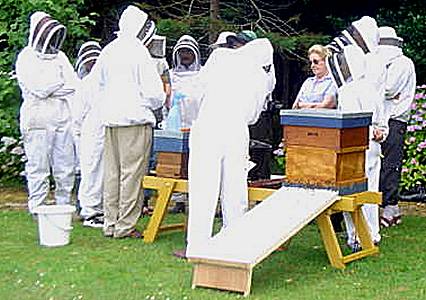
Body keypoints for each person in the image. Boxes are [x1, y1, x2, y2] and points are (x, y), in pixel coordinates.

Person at [186, 38, 275, 257]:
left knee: (202, 189)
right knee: (234, 189)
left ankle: (198, 245)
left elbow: (194, 97)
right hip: (234, 129)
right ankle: (233, 243)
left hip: (207, 126)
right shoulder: (257, 73)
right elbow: (254, 115)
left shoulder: (218, 59)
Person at [94, 5, 165, 238]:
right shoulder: (138, 52)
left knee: (112, 174)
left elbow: (98, 85)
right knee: (131, 175)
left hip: (110, 122)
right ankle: (125, 226)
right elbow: (155, 93)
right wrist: (156, 103)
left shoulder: (109, 50)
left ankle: (110, 223)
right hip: (134, 122)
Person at [326, 45, 388, 252]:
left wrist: (374, 132)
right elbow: (382, 124)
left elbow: (351, 123)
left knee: (353, 194)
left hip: (356, 149)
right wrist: (379, 133)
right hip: (372, 148)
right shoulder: (371, 88)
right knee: (370, 191)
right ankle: (372, 235)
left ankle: (357, 237)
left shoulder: (348, 91)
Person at [15, 11, 77, 215]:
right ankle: (37, 206)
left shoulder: (60, 56)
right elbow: (38, 88)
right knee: (37, 165)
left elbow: (73, 84)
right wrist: (57, 86)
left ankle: (63, 204)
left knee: (65, 164)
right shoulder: (26, 57)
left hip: (61, 116)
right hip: (36, 118)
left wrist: (51, 88)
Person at [378, 26, 416, 227]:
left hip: (395, 120)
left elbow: (387, 88)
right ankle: (386, 206)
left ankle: (390, 206)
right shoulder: (385, 64)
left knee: (391, 164)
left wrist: (373, 84)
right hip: (381, 120)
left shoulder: (402, 63)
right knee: (377, 163)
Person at [165, 35, 203, 214]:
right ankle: (178, 200)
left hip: (198, 125)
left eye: (188, 51)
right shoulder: (171, 76)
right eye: (182, 52)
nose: (186, 55)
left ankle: (195, 198)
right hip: (176, 126)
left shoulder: (203, 74)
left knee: (196, 164)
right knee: (176, 165)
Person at [73, 41, 105, 228]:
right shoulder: (85, 85)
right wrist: (79, 135)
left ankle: (99, 209)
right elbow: (77, 116)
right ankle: (89, 211)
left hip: (104, 129)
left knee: (103, 172)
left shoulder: (105, 81)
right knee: (91, 171)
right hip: (90, 132)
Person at [292, 44, 337, 109]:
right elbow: (295, 106)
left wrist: (302, 105)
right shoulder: (308, 82)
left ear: (326, 61)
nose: (312, 66)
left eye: (316, 62)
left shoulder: (333, 82)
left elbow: (326, 105)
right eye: (311, 62)